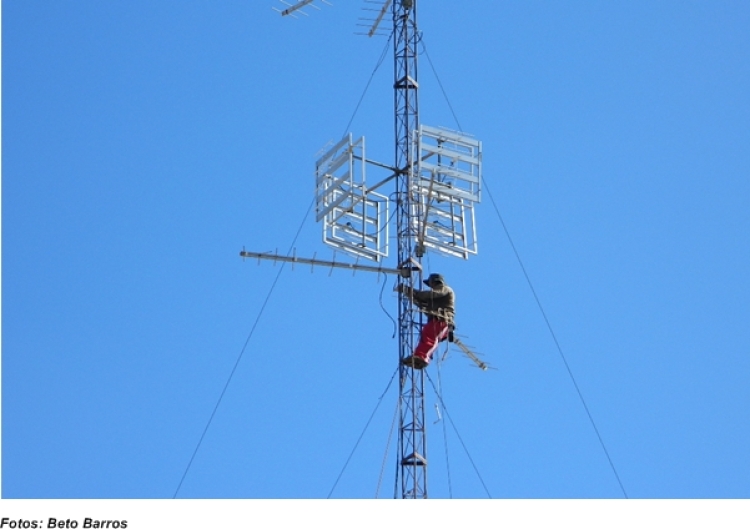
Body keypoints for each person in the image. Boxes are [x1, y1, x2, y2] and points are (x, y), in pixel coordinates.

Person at [397, 273, 455, 369]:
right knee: (426, 336)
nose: (430, 286)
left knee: (429, 336)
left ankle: (422, 357)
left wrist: (411, 291)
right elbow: (421, 302)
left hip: (441, 319)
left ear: (435, 281)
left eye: (430, 283)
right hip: (439, 320)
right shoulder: (434, 298)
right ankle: (418, 357)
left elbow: (429, 295)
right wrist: (408, 291)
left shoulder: (445, 289)